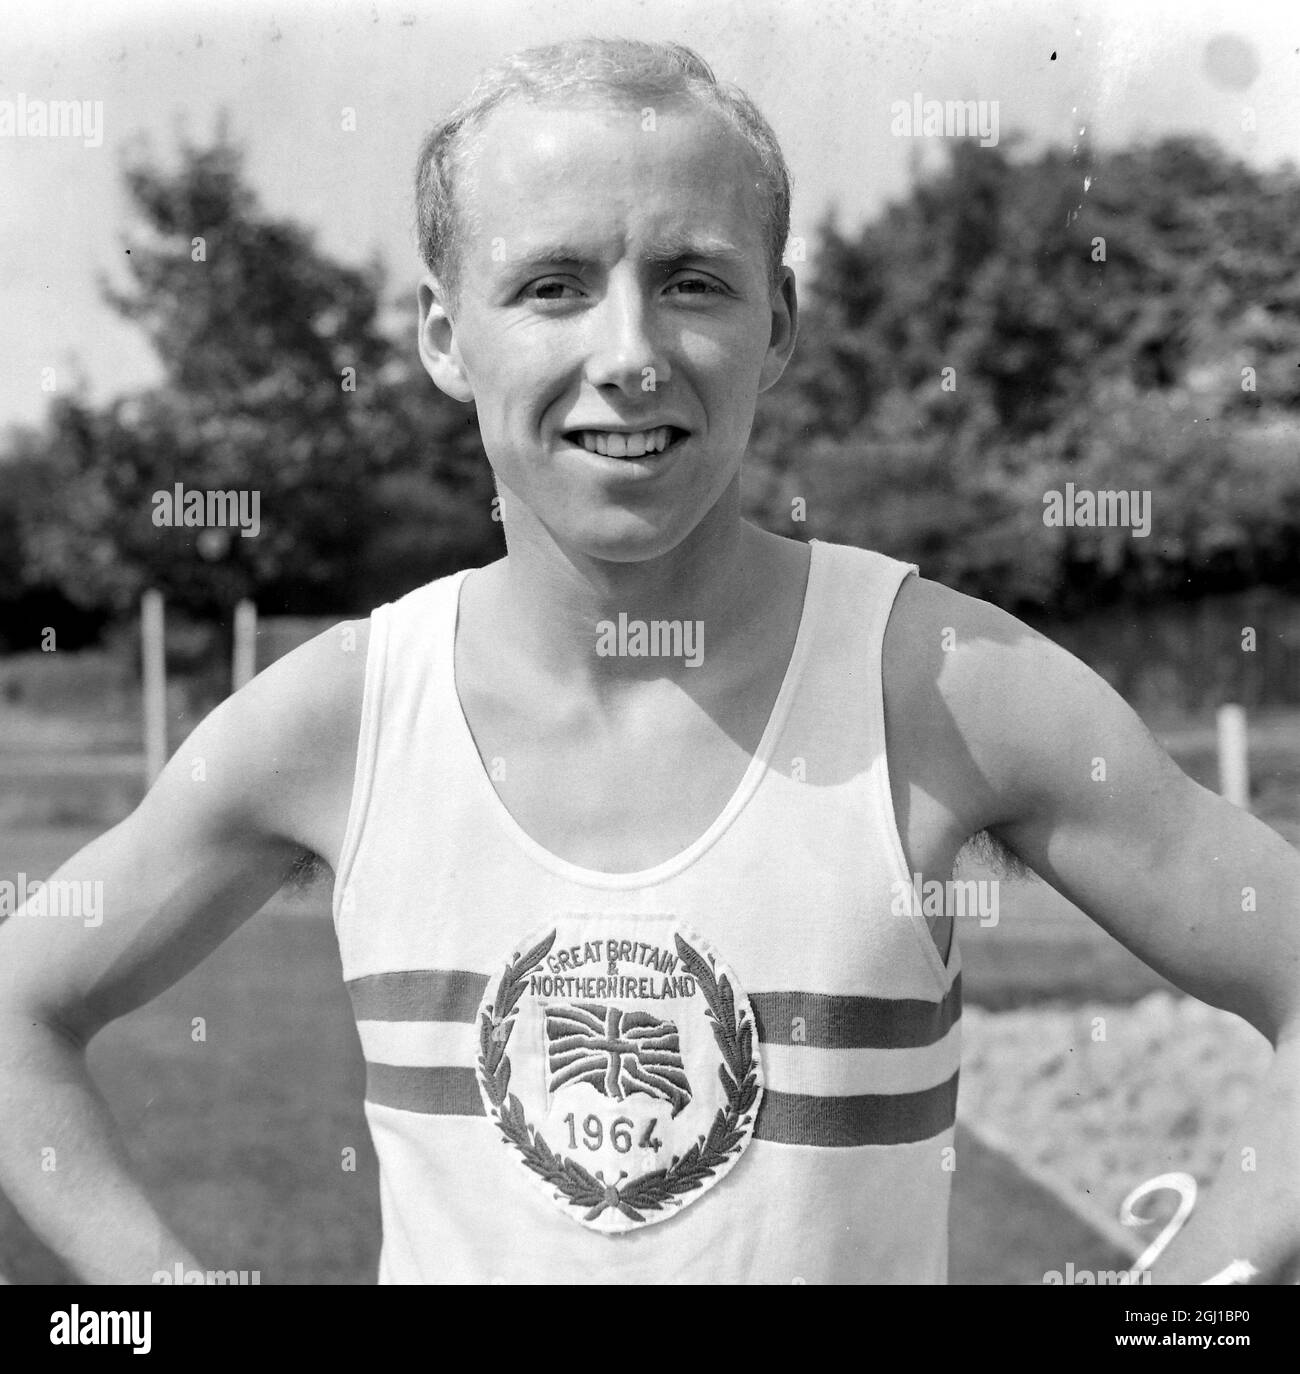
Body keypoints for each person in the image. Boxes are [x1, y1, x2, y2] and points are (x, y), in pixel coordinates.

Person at [0, 36, 1296, 1286]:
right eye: (553, 283)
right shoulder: (339, 716)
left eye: (691, 279)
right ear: (446, 337)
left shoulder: (947, 683)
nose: (628, 356)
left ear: (778, 323)